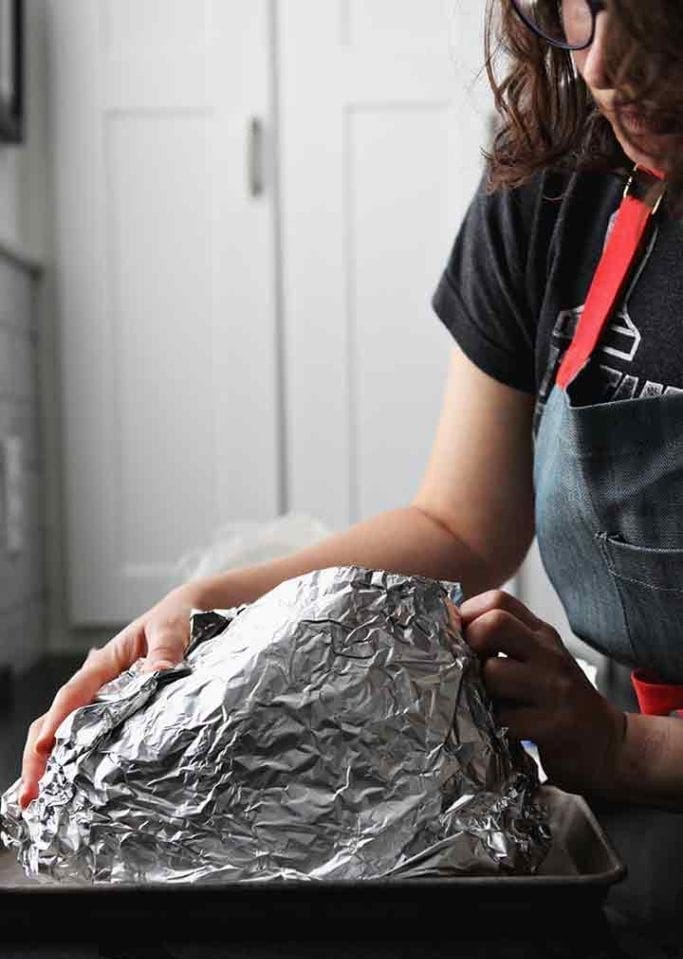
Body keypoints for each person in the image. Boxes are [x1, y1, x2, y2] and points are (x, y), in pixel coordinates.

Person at [20, 0, 683, 810]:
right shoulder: (557, 174)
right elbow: (461, 527)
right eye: (584, 3)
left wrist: (630, 747)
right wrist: (205, 606)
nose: (600, 65)